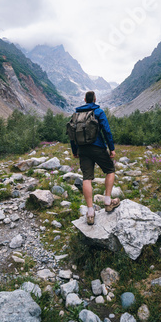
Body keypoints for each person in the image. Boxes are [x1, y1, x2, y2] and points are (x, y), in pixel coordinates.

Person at [70, 90, 120, 225]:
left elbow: (72, 134)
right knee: (110, 170)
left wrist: (75, 151)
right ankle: (108, 202)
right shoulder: (98, 112)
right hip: (98, 148)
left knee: (87, 178)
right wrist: (112, 148)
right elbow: (107, 131)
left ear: (85, 99)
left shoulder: (77, 114)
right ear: (95, 99)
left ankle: (90, 212)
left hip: (83, 150)